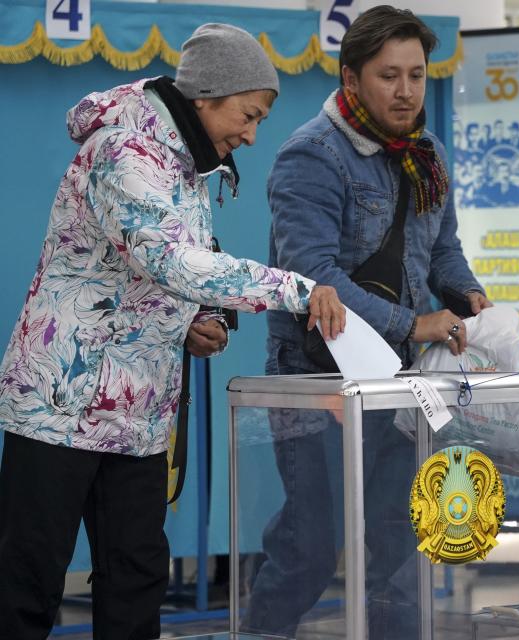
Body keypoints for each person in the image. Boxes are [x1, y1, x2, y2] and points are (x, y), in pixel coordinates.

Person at [0, 23, 346, 640]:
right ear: (207, 97)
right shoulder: (125, 151)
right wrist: (299, 290)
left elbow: (141, 273)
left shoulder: (187, 167)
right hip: (60, 402)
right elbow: (173, 261)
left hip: (137, 414)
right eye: (248, 114)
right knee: (26, 584)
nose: (251, 133)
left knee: (136, 582)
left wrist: (188, 320)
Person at [243, 6, 490, 639]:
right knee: (313, 544)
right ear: (352, 79)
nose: (407, 91)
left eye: (416, 74)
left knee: (401, 544)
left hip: (401, 381)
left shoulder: (427, 151)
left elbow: (441, 250)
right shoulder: (311, 156)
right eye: (389, 76)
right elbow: (312, 278)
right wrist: (415, 323)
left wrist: (466, 294)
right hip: (316, 376)